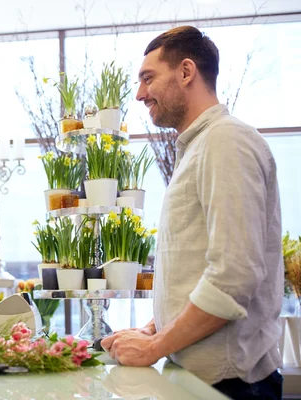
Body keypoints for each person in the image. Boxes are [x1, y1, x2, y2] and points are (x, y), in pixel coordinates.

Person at [101, 26, 283, 399]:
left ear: (186, 73)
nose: (139, 94)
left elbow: (232, 279)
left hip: (231, 385)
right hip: (202, 380)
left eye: (147, 79)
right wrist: (153, 329)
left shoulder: (225, 141)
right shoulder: (199, 147)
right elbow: (197, 273)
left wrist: (153, 348)